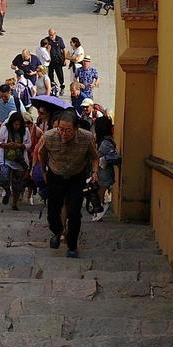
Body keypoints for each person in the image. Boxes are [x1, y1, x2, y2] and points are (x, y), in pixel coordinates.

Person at [38, 109, 99, 259]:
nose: (63, 134)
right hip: (55, 176)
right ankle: (57, 231)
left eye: (68, 130)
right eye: (61, 129)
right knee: (53, 212)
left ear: (76, 128)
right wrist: (44, 172)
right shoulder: (49, 136)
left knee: (74, 212)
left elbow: (94, 157)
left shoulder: (86, 137)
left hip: (76, 177)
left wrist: (94, 173)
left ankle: (72, 245)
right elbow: (41, 153)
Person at [45, 29, 67, 95]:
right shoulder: (46, 40)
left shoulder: (59, 39)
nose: (51, 36)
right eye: (49, 35)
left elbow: (63, 50)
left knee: (60, 75)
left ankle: (62, 87)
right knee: (50, 75)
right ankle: (52, 87)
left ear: (55, 33)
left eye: (52, 35)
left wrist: (65, 59)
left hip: (58, 61)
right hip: (50, 62)